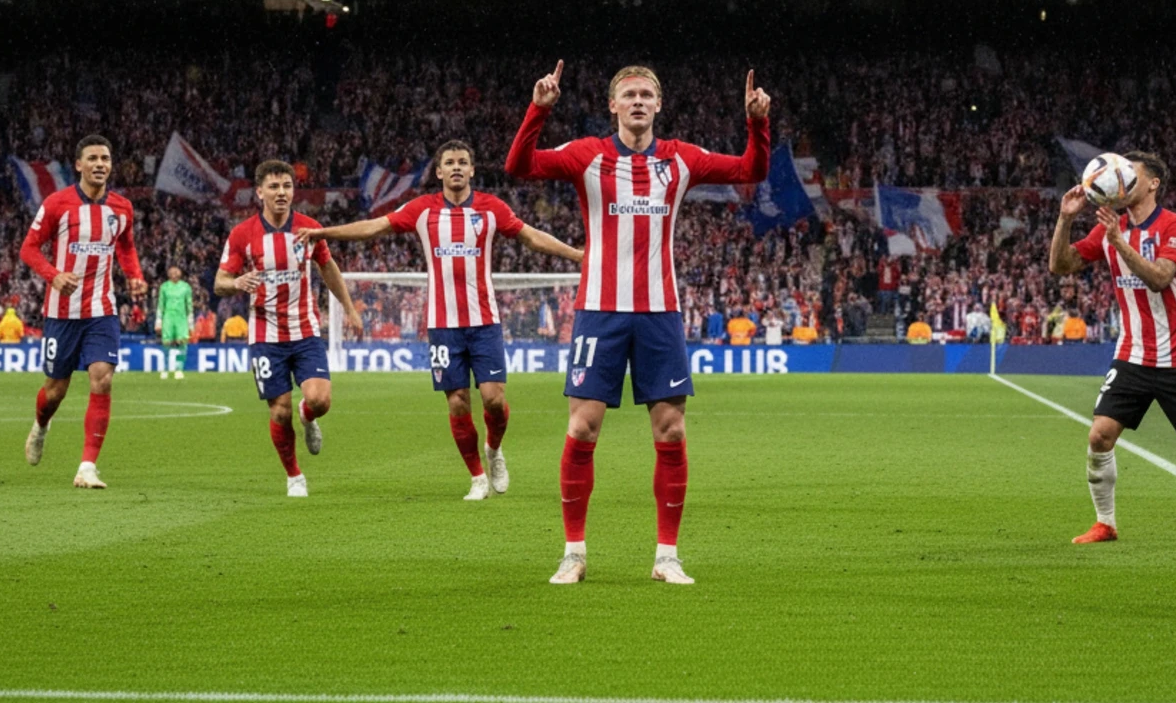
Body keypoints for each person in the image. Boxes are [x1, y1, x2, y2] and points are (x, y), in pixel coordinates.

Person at [505, 60, 769, 585]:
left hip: (660, 313)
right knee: (582, 426)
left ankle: (667, 556)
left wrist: (756, 123)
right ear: (613, 105)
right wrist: (538, 109)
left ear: (659, 105)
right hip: (598, 311)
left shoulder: (681, 159)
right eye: (629, 95)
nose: (639, 102)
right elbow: (519, 166)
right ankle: (574, 553)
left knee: (670, 430)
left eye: (647, 94)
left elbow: (750, 170)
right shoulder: (586, 155)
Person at [295, 140, 580, 501]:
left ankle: (493, 450)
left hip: (484, 322)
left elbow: (530, 237)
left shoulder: (492, 209)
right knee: (458, 401)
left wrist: (576, 254)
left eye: (463, 161)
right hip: (443, 326)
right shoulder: (422, 210)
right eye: (450, 162)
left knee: (494, 401)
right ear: (440, 172)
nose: (457, 167)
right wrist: (325, 232)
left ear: (472, 170)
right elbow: (374, 227)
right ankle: (477, 477)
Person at [1048, 151, 1176, 544]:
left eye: (1132, 172)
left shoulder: (1174, 226)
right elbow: (1061, 265)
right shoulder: (1110, 227)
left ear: (1152, 184)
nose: (1123, 177)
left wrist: (1119, 243)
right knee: (1099, 436)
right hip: (1132, 353)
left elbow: (1161, 277)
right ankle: (1106, 523)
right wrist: (1066, 218)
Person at [217, 161, 362, 498]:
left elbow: (327, 267)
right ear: (260, 193)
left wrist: (350, 308)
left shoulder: (309, 229)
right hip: (266, 336)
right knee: (278, 410)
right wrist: (237, 281)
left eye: (287, 186)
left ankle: (308, 417)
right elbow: (220, 282)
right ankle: (294, 475)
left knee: (320, 400)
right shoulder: (242, 234)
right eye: (274, 186)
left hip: (305, 330)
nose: (281, 192)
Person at [19, 135, 147, 490]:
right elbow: (29, 249)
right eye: (92, 158)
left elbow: (126, 247)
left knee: (103, 378)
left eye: (105, 158)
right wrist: (54, 275)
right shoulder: (58, 204)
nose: (100, 164)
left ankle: (87, 466)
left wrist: (134, 276)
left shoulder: (121, 208)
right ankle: (41, 425)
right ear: (78, 165)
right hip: (61, 313)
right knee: (55, 391)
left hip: (101, 310)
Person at [155, 266, 193, 379]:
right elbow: (160, 305)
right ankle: (165, 369)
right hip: (168, 317)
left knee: (182, 342)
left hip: (181, 318)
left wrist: (190, 323)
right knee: (166, 342)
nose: (175, 273)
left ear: (180, 272)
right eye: (172, 271)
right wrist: (158, 322)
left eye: (177, 270)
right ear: (168, 273)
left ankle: (179, 369)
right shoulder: (164, 287)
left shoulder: (186, 287)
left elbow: (189, 305)